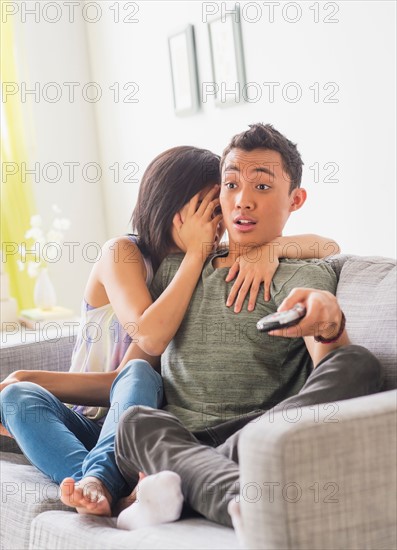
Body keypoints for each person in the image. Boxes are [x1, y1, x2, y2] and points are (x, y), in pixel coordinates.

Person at [0, 144, 339, 517]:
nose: (221, 219)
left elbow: (328, 246)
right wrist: (25, 377)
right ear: (172, 207)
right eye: (208, 209)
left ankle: (100, 490)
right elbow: (146, 343)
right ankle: (99, 483)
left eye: (217, 210)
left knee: (139, 375)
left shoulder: (198, 261)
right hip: (93, 420)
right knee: (19, 397)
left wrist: (272, 247)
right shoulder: (126, 254)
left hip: (142, 423)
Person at [112, 124, 382, 534]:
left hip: (265, 429)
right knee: (134, 421)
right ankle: (238, 494)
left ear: (295, 200)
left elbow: (327, 370)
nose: (243, 201)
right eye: (231, 184)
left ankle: (198, 488)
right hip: (181, 437)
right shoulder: (177, 270)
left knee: (358, 364)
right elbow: (135, 366)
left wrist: (328, 325)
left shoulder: (304, 273)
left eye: (261, 186)